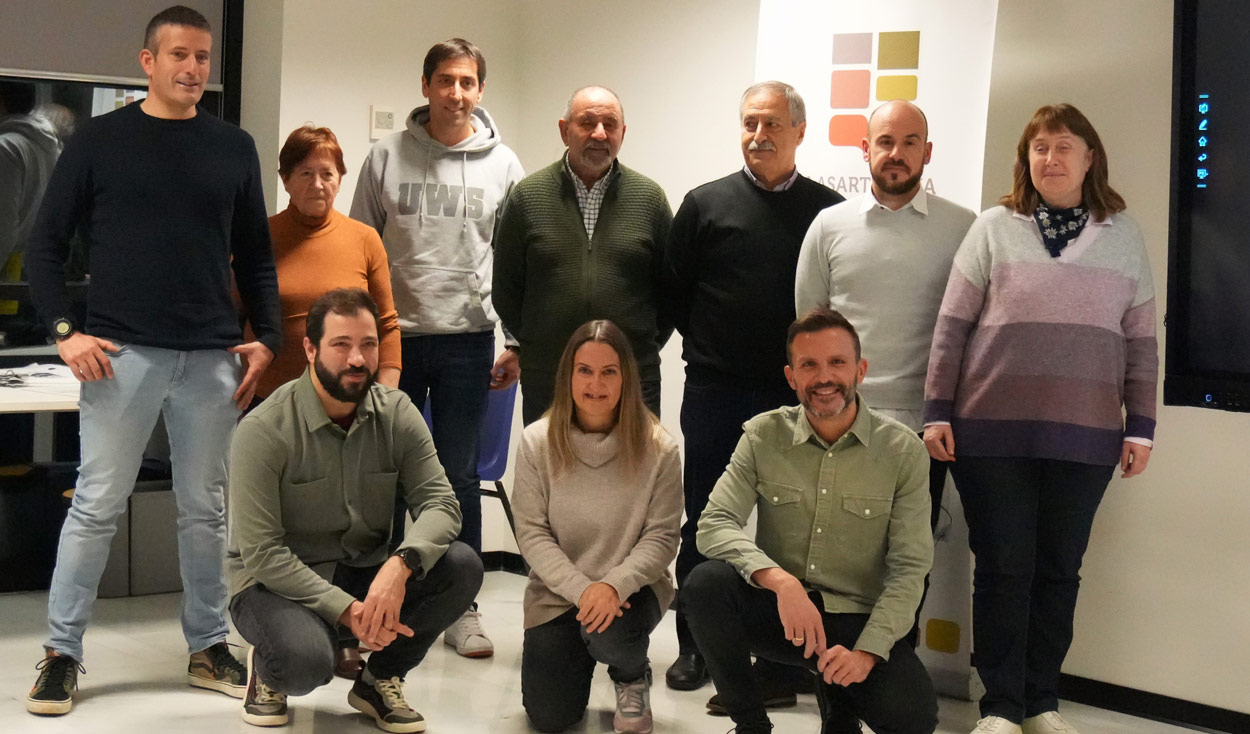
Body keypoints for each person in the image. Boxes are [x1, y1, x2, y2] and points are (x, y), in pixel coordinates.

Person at [24, 6, 280, 716]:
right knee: (96, 508)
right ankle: (61, 654)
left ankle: (207, 645)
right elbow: (45, 247)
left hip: (211, 360)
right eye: (179, 55)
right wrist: (66, 331)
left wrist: (271, 339)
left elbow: (257, 255)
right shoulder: (100, 142)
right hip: (120, 356)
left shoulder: (234, 147)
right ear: (148, 62)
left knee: (205, 512)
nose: (193, 69)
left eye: (202, 57)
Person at [923, 104, 1157, 734]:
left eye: (1064, 147)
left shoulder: (1124, 234)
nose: (1050, 159)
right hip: (990, 435)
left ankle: (1041, 702)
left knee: (1058, 571)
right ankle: (1000, 706)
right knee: (1002, 569)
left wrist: (1141, 425)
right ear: (1025, 160)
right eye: (1039, 149)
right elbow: (951, 329)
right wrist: (937, 412)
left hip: (1086, 440)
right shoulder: (994, 228)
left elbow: (1140, 340)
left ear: (1089, 158)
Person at [227, 287, 482, 732]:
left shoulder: (397, 412)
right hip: (274, 584)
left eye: (368, 345)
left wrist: (401, 566)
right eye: (341, 345)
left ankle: (378, 678)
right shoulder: (264, 430)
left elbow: (441, 503)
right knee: (307, 662)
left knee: (461, 565)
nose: (358, 360)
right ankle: (269, 669)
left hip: (363, 567)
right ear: (310, 349)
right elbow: (263, 554)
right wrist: (348, 612)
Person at [662, 80, 843, 699]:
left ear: (799, 131)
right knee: (707, 519)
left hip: (796, 397)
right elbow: (676, 295)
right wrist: (718, 346)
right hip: (715, 391)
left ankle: (785, 664)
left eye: (771, 125)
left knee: (791, 530)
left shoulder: (826, 211)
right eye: (749, 124)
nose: (758, 136)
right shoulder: (704, 204)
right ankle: (697, 648)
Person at [684, 307, 937, 734]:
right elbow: (713, 523)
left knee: (912, 719)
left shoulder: (904, 453)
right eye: (809, 365)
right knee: (705, 585)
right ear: (791, 376)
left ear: (860, 370)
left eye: (837, 362)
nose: (824, 377)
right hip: (784, 613)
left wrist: (868, 653)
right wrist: (780, 581)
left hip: (856, 619)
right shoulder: (763, 436)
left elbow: (911, 570)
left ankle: (839, 707)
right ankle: (750, 725)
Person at [350, 38, 523, 658]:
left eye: (467, 82)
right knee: (385, 477)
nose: (456, 93)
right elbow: (360, 255)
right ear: (424, 86)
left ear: (480, 90)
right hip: (395, 343)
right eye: (445, 80)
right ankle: (378, 601)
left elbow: (519, 262)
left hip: (468, 342)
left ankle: (461, 606)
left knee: (456, 479)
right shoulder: (385, 156)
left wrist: (517, 341)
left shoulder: (504, 164)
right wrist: (364, 344)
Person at [794, 99, 976, 642]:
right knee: (831, 551)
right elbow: (810, 324)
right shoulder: (829, 226)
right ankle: (824, 668)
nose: (896, 154)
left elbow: (973, 328)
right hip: (841, 420)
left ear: (928, 151)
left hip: (924, 427)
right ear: (865, 149)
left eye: (910, 142)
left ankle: (889, 667)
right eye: (885, 142)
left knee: (908, 558)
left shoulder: (963, 227)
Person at [512, 319, 682, 734]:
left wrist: (613, 585)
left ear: (627, 378)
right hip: (558, 594)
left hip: (629, 594)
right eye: (584, 370)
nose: (596, 384)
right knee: (550, 718)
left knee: (609, 635)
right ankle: (581, 655)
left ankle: (630, 675)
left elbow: (662, 536)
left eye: (609, 371)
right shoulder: (537, 442)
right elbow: (532, 534)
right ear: (568, 376)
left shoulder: (659, 447)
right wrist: (583, 590)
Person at [494, 86, 672, 425]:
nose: (599, 133)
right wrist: (537, 345)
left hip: (632, 378)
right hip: (549, 376)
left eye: (610, 124)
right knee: (551, 473)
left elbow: (671, 294)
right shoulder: (527, 198)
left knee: (634, 475)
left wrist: (635, 347)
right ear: (564, 130)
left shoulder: (650, 199)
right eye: (587, 122)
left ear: (623, 133)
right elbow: (506, 289)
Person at [251, 124, 401, 403]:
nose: (317, 184)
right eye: (305, 173)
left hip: (347, 399)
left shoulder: (365, 239)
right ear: (285, 179)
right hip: (269, 398)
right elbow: (232, 316)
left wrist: (386, 397)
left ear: (340, 179)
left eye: (327, 174)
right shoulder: (258, 237)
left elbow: (387, 325)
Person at [0, 79, 60, 278]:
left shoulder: (6, 147)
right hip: (33, 268)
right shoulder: (45, 143)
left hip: (7, 269)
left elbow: (3, 228)